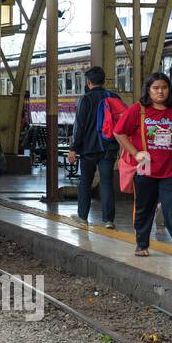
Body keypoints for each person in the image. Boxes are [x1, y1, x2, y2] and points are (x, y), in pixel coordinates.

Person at [114, 71, 172, 262]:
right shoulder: (138, 110)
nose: (160, 92)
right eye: (156, 88)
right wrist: (136, 154)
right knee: (145, 207)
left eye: (164, 88)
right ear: (148, 90)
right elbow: (119, 132)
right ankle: (142, 243)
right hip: (146, 169)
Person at [66, 65, 122, 227]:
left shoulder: (85, 99)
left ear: (88, 82)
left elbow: (80, 127)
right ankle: (109, 220)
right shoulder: (113, 97)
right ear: (103, 81)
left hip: (88, 149)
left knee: (85, 181)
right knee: (106, 183)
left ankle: (82, 216)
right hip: (109, 147)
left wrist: (73, 149)